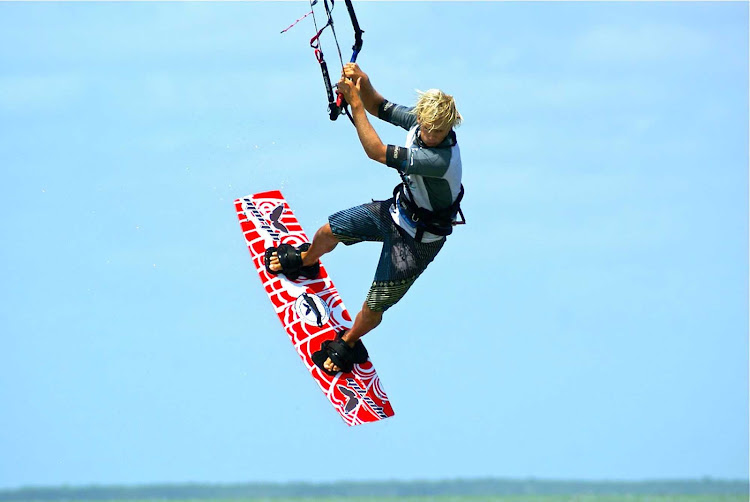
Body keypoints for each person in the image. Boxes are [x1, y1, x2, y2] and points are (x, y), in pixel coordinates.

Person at [265, 63, 463, 375]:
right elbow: (380, 107)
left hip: (417, 243)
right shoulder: (422, 120)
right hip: (397, 211)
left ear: (449, 126)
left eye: (437, 130)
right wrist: (363, 83)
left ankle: (350, 340)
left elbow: (375, 150)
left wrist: (354, 103)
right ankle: (306, 259)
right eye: (426, 126)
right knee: (329, 230)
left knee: (373, 306)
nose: (429, 133)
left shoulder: (438, 159)